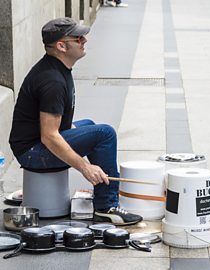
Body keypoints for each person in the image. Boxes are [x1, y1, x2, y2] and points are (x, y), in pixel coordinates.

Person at [9, 17, 142, 225]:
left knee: (89, 125)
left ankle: (105, 193)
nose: (84, 41)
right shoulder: (51, 80)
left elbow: (59, 126)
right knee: (105, 133)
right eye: (78, 38)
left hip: (35, 144)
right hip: (32, 153)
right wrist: (84, 167)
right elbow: (49, 136)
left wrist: (81, 139)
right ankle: (106, 205)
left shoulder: (59, 69)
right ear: (62, 46)